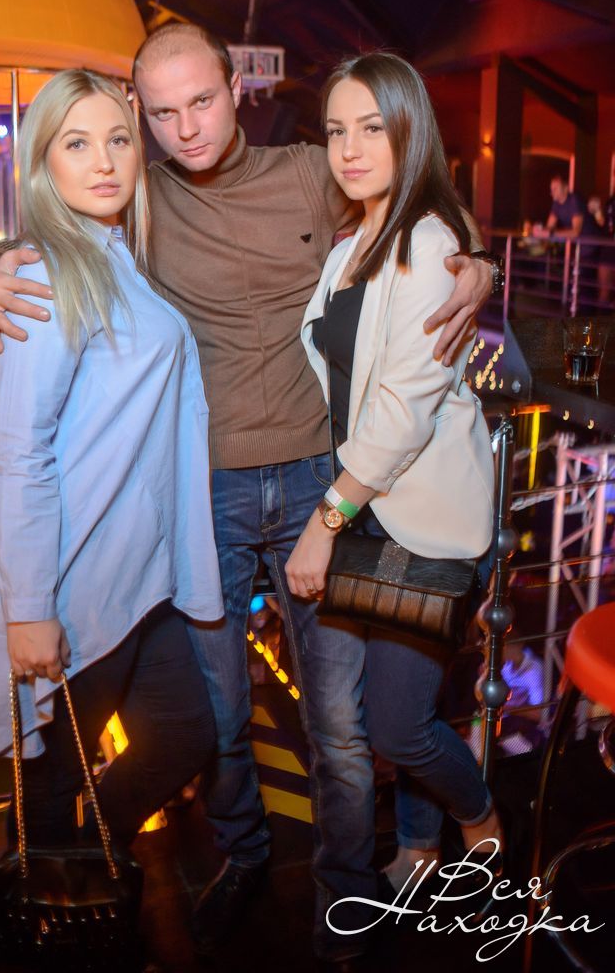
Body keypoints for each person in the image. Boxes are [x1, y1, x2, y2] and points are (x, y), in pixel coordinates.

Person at [0, 25, 495, 966]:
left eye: (202, 101)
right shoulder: (143, 197)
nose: (187, 128)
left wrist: (477, 260)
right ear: (142, 117)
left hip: (317, 481)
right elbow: (59, 224)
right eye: (162, 114)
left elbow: (413, 195)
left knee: (340, 725)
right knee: (215, 720)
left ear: (238, 86)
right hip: (201, 492)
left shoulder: (310, 173)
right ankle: (245, 858)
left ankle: (344, 892)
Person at [0, 69, 222, 853]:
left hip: (132, 573)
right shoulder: (45, 273)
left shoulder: (110, 253)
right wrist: (30, 606)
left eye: (118, 140)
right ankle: (50, 900)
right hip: (73, 579)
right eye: (77, 144)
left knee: (182, 730)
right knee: (48, 796)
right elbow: (17, 452)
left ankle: (89, 860)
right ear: (43, 163)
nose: (104, 161)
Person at [291, 53, 502, 936]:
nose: (349, 148)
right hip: (374, 512)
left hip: (417, 516)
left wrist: (324, 519)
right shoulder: (354, 244)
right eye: (337, 129)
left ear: (409, 131)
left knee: (397, 726)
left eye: (372, 127)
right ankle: (417, 847)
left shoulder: (425, 240)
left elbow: (404, 409)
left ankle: (481, 819)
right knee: (402, 708)